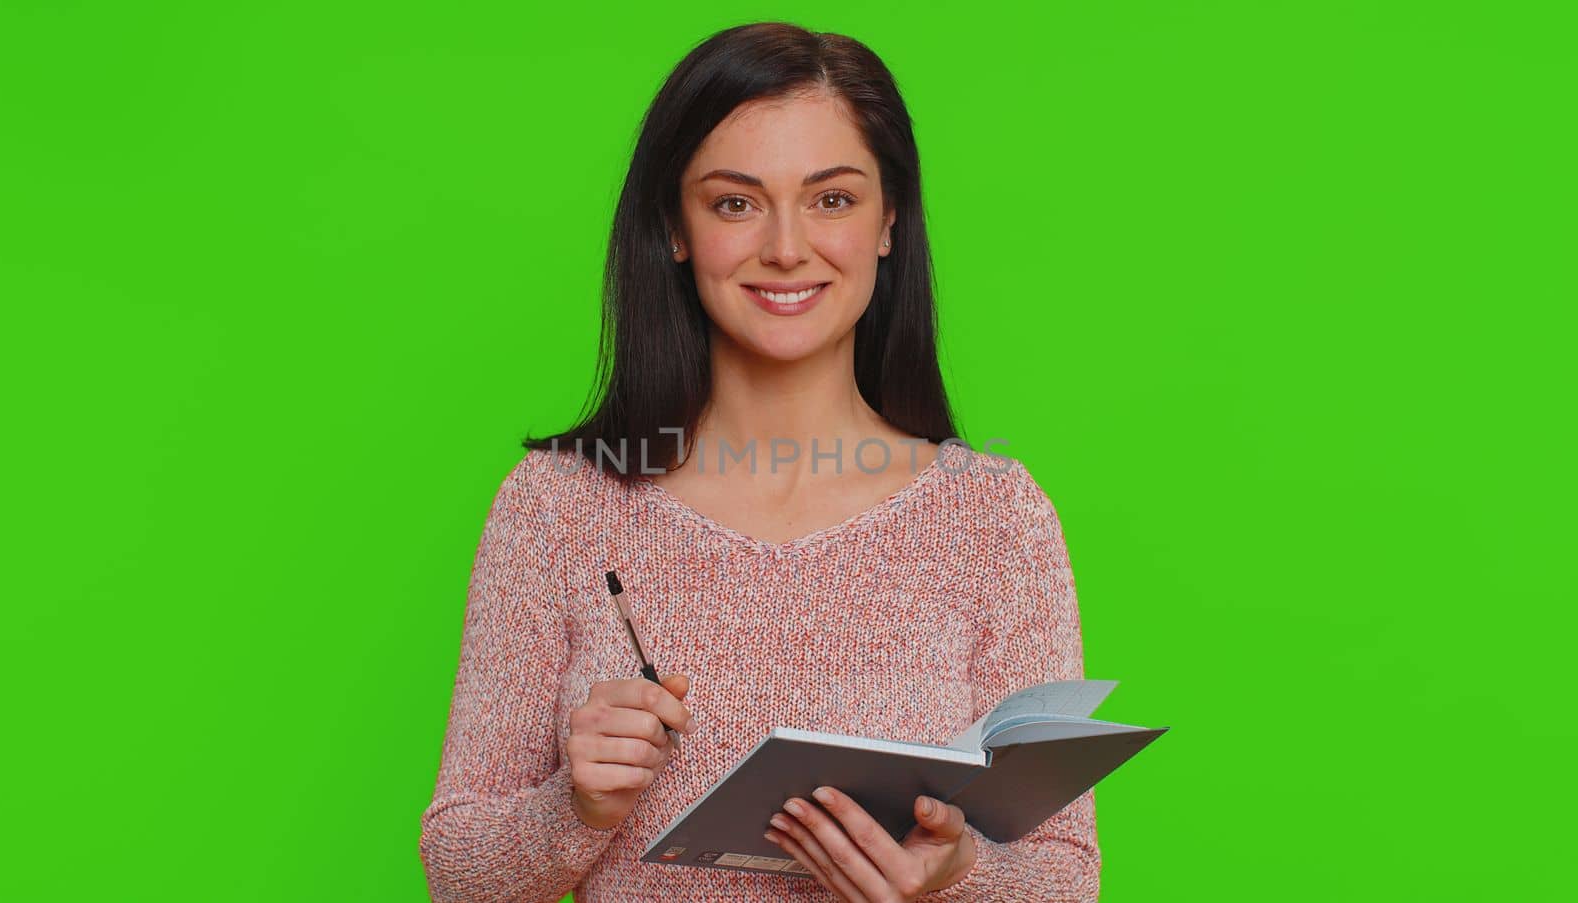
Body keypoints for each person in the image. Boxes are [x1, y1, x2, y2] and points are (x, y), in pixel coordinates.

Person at [419, 21, 1100, 902]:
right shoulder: (556, 506)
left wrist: (960, 872)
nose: (785, 247)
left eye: (832, 199)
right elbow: (455, 871)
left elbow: (1066, 875)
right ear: (675, 227)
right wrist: (574, 807)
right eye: (735, 202)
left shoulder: (996, 516)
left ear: (889, 222)